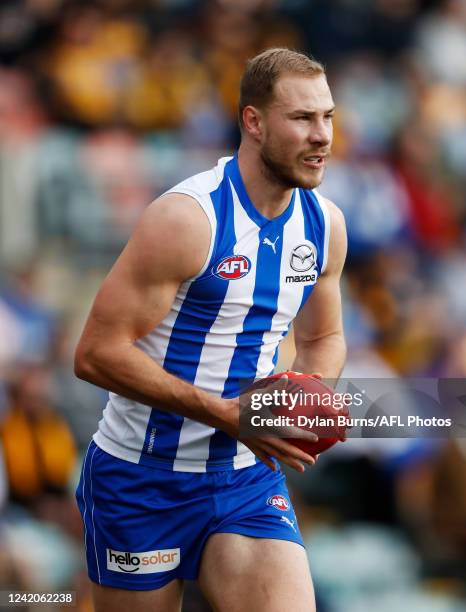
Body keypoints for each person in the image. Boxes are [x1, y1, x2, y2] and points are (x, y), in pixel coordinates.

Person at [74, 47, 347, 612]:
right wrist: (224, 413)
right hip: (140, 479)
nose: (322, 135)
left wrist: (302, 396)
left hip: (247, 476)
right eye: (301, 118)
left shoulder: (324, 224)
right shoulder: (187, 219)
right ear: (253, 121)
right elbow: (96, 354)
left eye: (328, 117)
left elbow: (324, 338)